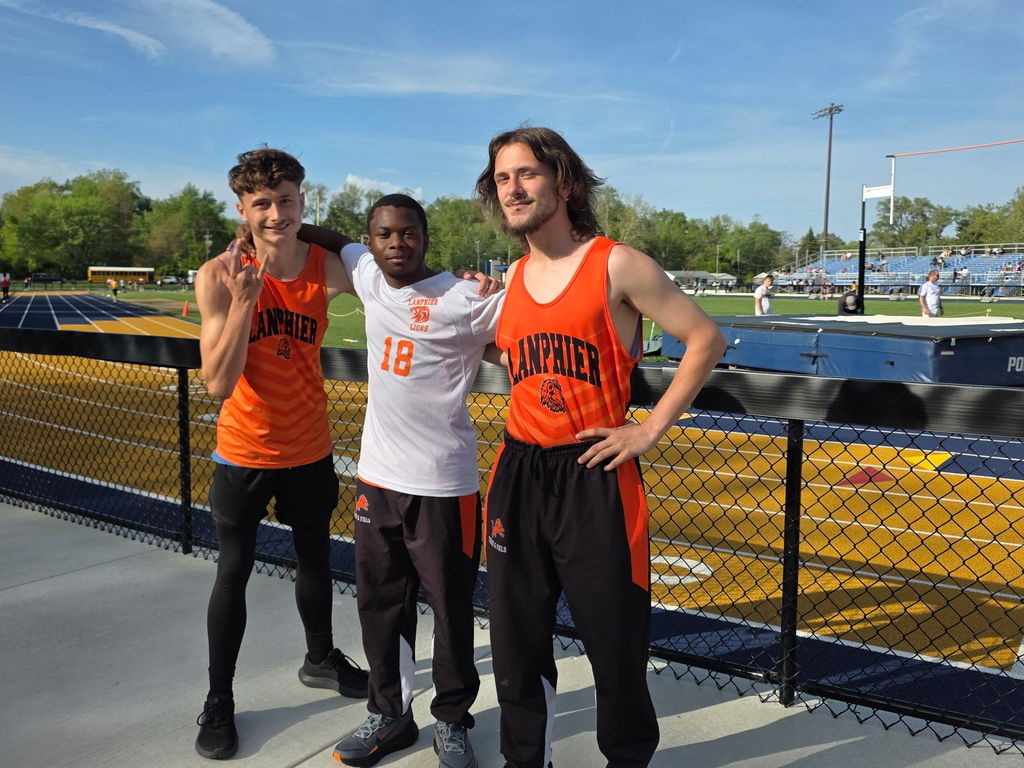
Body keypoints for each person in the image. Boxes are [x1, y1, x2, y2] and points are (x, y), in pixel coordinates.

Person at [475, 126, 726, 768]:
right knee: (515, 646)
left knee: (615, 649)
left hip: (595, 474)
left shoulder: (615, 263)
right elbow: (514, 357)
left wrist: (648, 429)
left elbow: (705, 339)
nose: (513, 188)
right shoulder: (510, 278)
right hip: (519, 470)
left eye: (526, 173)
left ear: (563, 180)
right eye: (503, 178)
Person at [297, 195, 504, 768]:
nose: (396, 244)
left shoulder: (465, 297)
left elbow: (529, 324)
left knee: (450, 608)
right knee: (381, 604)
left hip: (444, 484)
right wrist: (279, 225)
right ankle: (390, 714)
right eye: (385, 234)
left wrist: (490, 291)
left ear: (424, 237)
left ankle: (454, 720)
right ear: (374, 238)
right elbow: (334, 240)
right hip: (377, 479)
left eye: (407, 233)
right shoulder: (367, 274)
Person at [193, 147, 368, 760]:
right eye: (261, 204)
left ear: (303, 202)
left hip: (309, 446)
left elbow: (383, 270)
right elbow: (217, 382)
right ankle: (219, 699)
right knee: (232, 573)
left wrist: (320, 234)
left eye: (287, 201)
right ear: (241, 208)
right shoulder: (218, 273)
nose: (275, 214)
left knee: (315, 559)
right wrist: (245, 299)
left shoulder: (323, 265)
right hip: (244, 449)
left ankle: (319, 657)